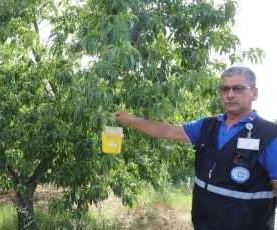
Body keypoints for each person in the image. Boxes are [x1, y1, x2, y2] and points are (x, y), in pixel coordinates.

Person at [114, 66, 277, 230]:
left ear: (254, 93)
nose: (230, 94)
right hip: (203, 224)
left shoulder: (269, 135)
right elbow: (168, 130)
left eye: (238, 88)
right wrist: (131, 120)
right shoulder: (207, 125)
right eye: (224, 88)